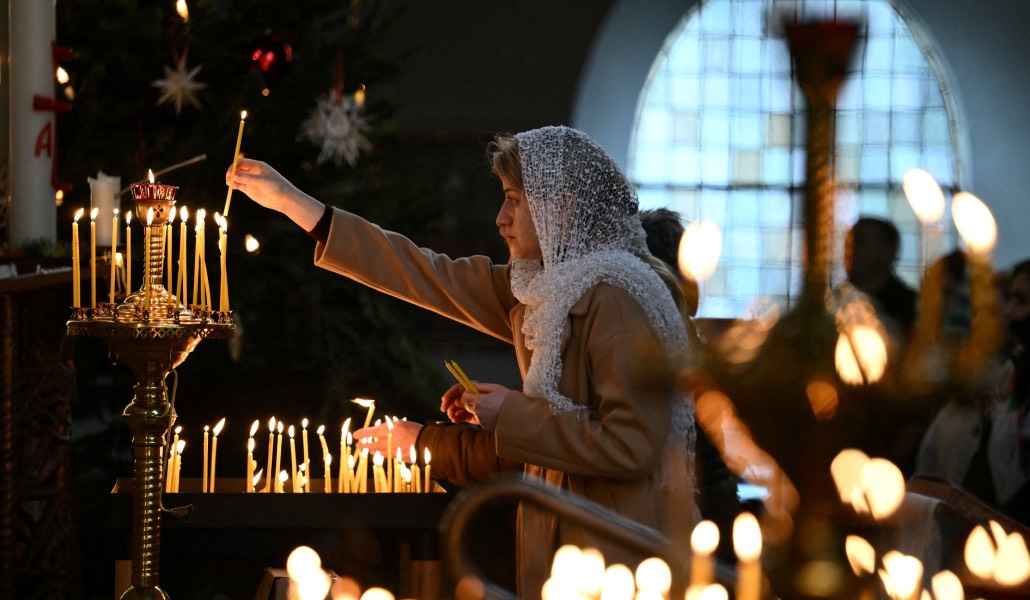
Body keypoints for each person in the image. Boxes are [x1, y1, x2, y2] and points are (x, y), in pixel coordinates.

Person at [228, 125, 698, 597]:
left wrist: (508, 413)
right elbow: (424, 273)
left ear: (562, 208)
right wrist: (297, 206)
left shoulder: (617, 296)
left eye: (514, 199)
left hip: (617, 559)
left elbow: (632, 443)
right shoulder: (545, 288)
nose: (500, 217)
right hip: (569, 553)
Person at [842, 216, 918, 342]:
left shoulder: (910, 308)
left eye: (860, 242)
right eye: (848, 243)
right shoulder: (832, 302)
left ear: (888, 252)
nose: (850, 250)